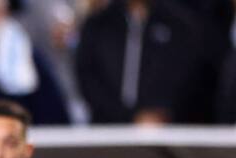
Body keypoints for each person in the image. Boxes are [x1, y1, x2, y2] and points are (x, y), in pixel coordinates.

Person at [74, 0, 210, 125]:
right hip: (106, 130)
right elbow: (88, 78)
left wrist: (159, 112)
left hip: (164, 130)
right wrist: (128, 117)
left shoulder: (180, 25)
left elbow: (186, 78)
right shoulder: (98, 24)